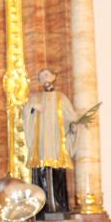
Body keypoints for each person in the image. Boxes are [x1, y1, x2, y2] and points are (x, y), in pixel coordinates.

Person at [24, 69, 82, 213]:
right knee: (42, 176)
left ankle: (59, 206)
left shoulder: (61, 98)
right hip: (41, 147)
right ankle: (42, 208)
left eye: (48, 75)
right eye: (42, 76)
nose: (45, 78)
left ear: (54, 77)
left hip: (56, 147)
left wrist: (74, 128)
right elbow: (25, 115)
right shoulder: (35, 98)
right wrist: (32, 107)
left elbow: (72, 119)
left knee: (57, 176)